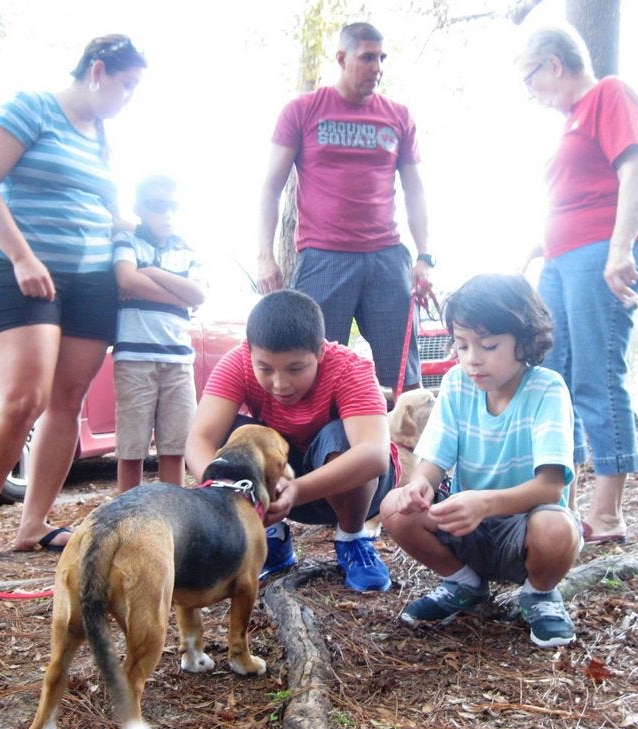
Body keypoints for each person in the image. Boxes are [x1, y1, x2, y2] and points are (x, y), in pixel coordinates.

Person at [0, 35, 147, 559]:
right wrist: (22, 256)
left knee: (67, 401)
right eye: (127, 84)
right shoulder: (31, 108)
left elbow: (103, 205)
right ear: (98, 70)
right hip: (19, 270)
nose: (129, 96)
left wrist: (133, 233)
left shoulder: (101, 137)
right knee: (23, 396)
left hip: (90, 280)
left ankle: (33, 523)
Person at [380, 274, 581, 647]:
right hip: (465, 525)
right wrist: (421, 483)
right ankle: (464, 584)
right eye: (462, 345)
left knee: (557, 529)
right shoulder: (457, 384)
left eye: (488, 345)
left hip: (525, 529)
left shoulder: (547, 389)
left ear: (525, 341)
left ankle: (539, 595)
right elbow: (434, 459)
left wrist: (485, 503)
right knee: (395, 506)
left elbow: (551, 486)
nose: (472, 359)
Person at [518, 25, 638, 544]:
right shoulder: (573, 120)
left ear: (553, 64)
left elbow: (635, 170)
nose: (533, 94)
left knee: (597, 373)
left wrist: (619, 251)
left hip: (601, 253)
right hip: (564, 257)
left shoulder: (608, 94)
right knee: (555, 378)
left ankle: (610, 510)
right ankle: (561, 501)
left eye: (531, 80)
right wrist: (544, 241)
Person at [256, 21, 433, 395]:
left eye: (382, 58)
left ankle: (404, 452)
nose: (377, 67)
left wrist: (425, 255)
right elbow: (270, 186)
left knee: (403, 378)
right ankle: (319, 453)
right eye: (367, 57)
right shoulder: (303, 111)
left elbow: (415, 189)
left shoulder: (398, 117)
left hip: (387, 257)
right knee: (309, 367)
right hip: (324, 256)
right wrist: (265, 256)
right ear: (341, 58)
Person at [184, 289, 396, 592]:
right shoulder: (238, 362)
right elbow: (199, 439)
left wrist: (296, 490)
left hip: (355, 490)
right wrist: (223, 488)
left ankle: (352, 538)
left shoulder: (350, 368)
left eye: (295, 369)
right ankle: (272, 537)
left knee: (336, 437)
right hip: (279, 489)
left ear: (320, 352)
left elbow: (374, 455)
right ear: (250, 352)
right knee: (235, 434)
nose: (280, 384)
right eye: (265, 369)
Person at [112, 175, 205, 492]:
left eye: (173, 207)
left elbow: (199, 295)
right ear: (139, 208)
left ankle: (170, 515)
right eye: (157, 206)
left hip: (178, 361)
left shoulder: (186, 249)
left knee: (176, 445)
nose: (166, 214)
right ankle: (127, 517)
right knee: (132, 445)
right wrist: (180, 297)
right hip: (135, 360)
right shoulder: (127, 241)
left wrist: (150, 272)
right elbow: (126, 279)